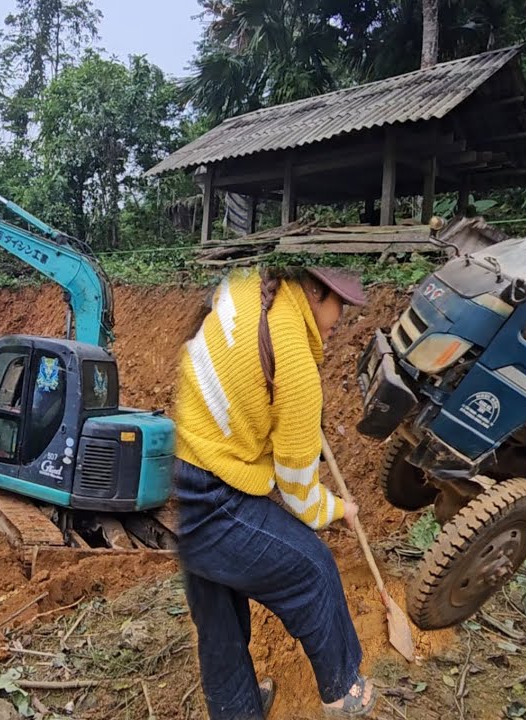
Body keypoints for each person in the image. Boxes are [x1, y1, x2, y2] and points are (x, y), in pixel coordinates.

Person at [173, 265, 376, 719]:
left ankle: (238, 710)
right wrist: (341, 508)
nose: (341, 316)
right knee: (315, 569)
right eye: (339, 302)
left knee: (219, 620)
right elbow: (301, 497)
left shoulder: (247, 283)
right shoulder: (297, 369)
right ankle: (346, 694)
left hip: (177, 476)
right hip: (208, 493)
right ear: (314, 289)